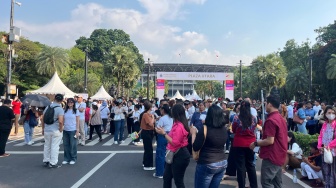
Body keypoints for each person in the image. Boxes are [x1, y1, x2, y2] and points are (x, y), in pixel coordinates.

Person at [249, 95, 287, 188]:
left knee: (266, 182)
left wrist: (256, 143)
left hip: (272, 155)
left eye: (265, 103)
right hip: (280, 154)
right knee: (277, 183)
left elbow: (270, 140)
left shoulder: (271, 120)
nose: (265, 105)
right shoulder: (281, 118)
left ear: (269, 104)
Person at [191, 104, 228, 188]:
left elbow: (195, 147)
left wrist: (193, 134)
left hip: (207, 162)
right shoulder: (224, 129)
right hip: (222, 162)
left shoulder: (205, 129)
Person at [155, 104, 190, 188]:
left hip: (179, 154)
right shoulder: (177, 123)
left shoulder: (179, 126)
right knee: (167, 177)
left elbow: (175, 142)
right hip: (174, 153)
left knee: (178, 181)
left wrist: (164, 134)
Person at [232, 101, 258, 188]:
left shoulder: (236, 118)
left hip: (239, 144)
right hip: (251, 144)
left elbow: (234, 129)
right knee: (250, 165)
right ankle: (254, 185)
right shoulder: (254, 118)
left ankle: (241, 186)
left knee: (240, 167)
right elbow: (254, 128)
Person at [42, 94, 65, 168]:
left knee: (47, 145)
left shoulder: (47, 107)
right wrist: (61, 128)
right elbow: (61, 121)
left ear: (54, 99)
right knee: (55, 146)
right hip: (55, 129)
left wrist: (43, 128)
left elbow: (43, 119)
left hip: (47, 129)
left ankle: (46, 160)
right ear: (61, 100)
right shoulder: (60, 109)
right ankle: (53, 162)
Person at [317, 105, 336, 187]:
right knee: (326, 171)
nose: (331, 114)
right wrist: (319, 146)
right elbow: (320, 136)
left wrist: (329, 146)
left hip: (333, 152)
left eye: (333, 113)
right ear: (325, 114)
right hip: (324, 151)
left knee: (333, 172)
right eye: (329, 113)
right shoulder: (325, 124)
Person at [153, 104, 173, 179]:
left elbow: (158, 129)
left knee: (160, 155)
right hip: (169, 135)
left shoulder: (162, 118)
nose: (160, 111)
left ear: (163, 110)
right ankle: (166, 171)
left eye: (161, 110)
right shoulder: (171, 118)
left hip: (162, 136)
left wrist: (155, 128)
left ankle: (159, 172)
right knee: (167, 154)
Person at [62, 98, 80, 165]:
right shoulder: (64, 111)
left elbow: (77, 121)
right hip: (65, 129)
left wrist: (77, 130)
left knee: (73, 145)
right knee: (66, 145)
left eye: (71, 102)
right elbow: (63, 120)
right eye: (69, 102)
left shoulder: (76, 111)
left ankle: (73, 158)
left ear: (73, 103)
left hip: (73, 129)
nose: (70, 103)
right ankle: (66, 158)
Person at [140, 101, 155, 170]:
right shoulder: (146, 115)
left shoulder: (147, 114)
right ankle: (147, 165)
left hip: (148, 132)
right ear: (150, 107)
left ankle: (146, 163)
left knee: (147, 148)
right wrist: (153, 118)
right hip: (147, 132)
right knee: (149, 149)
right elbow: (150, 124)